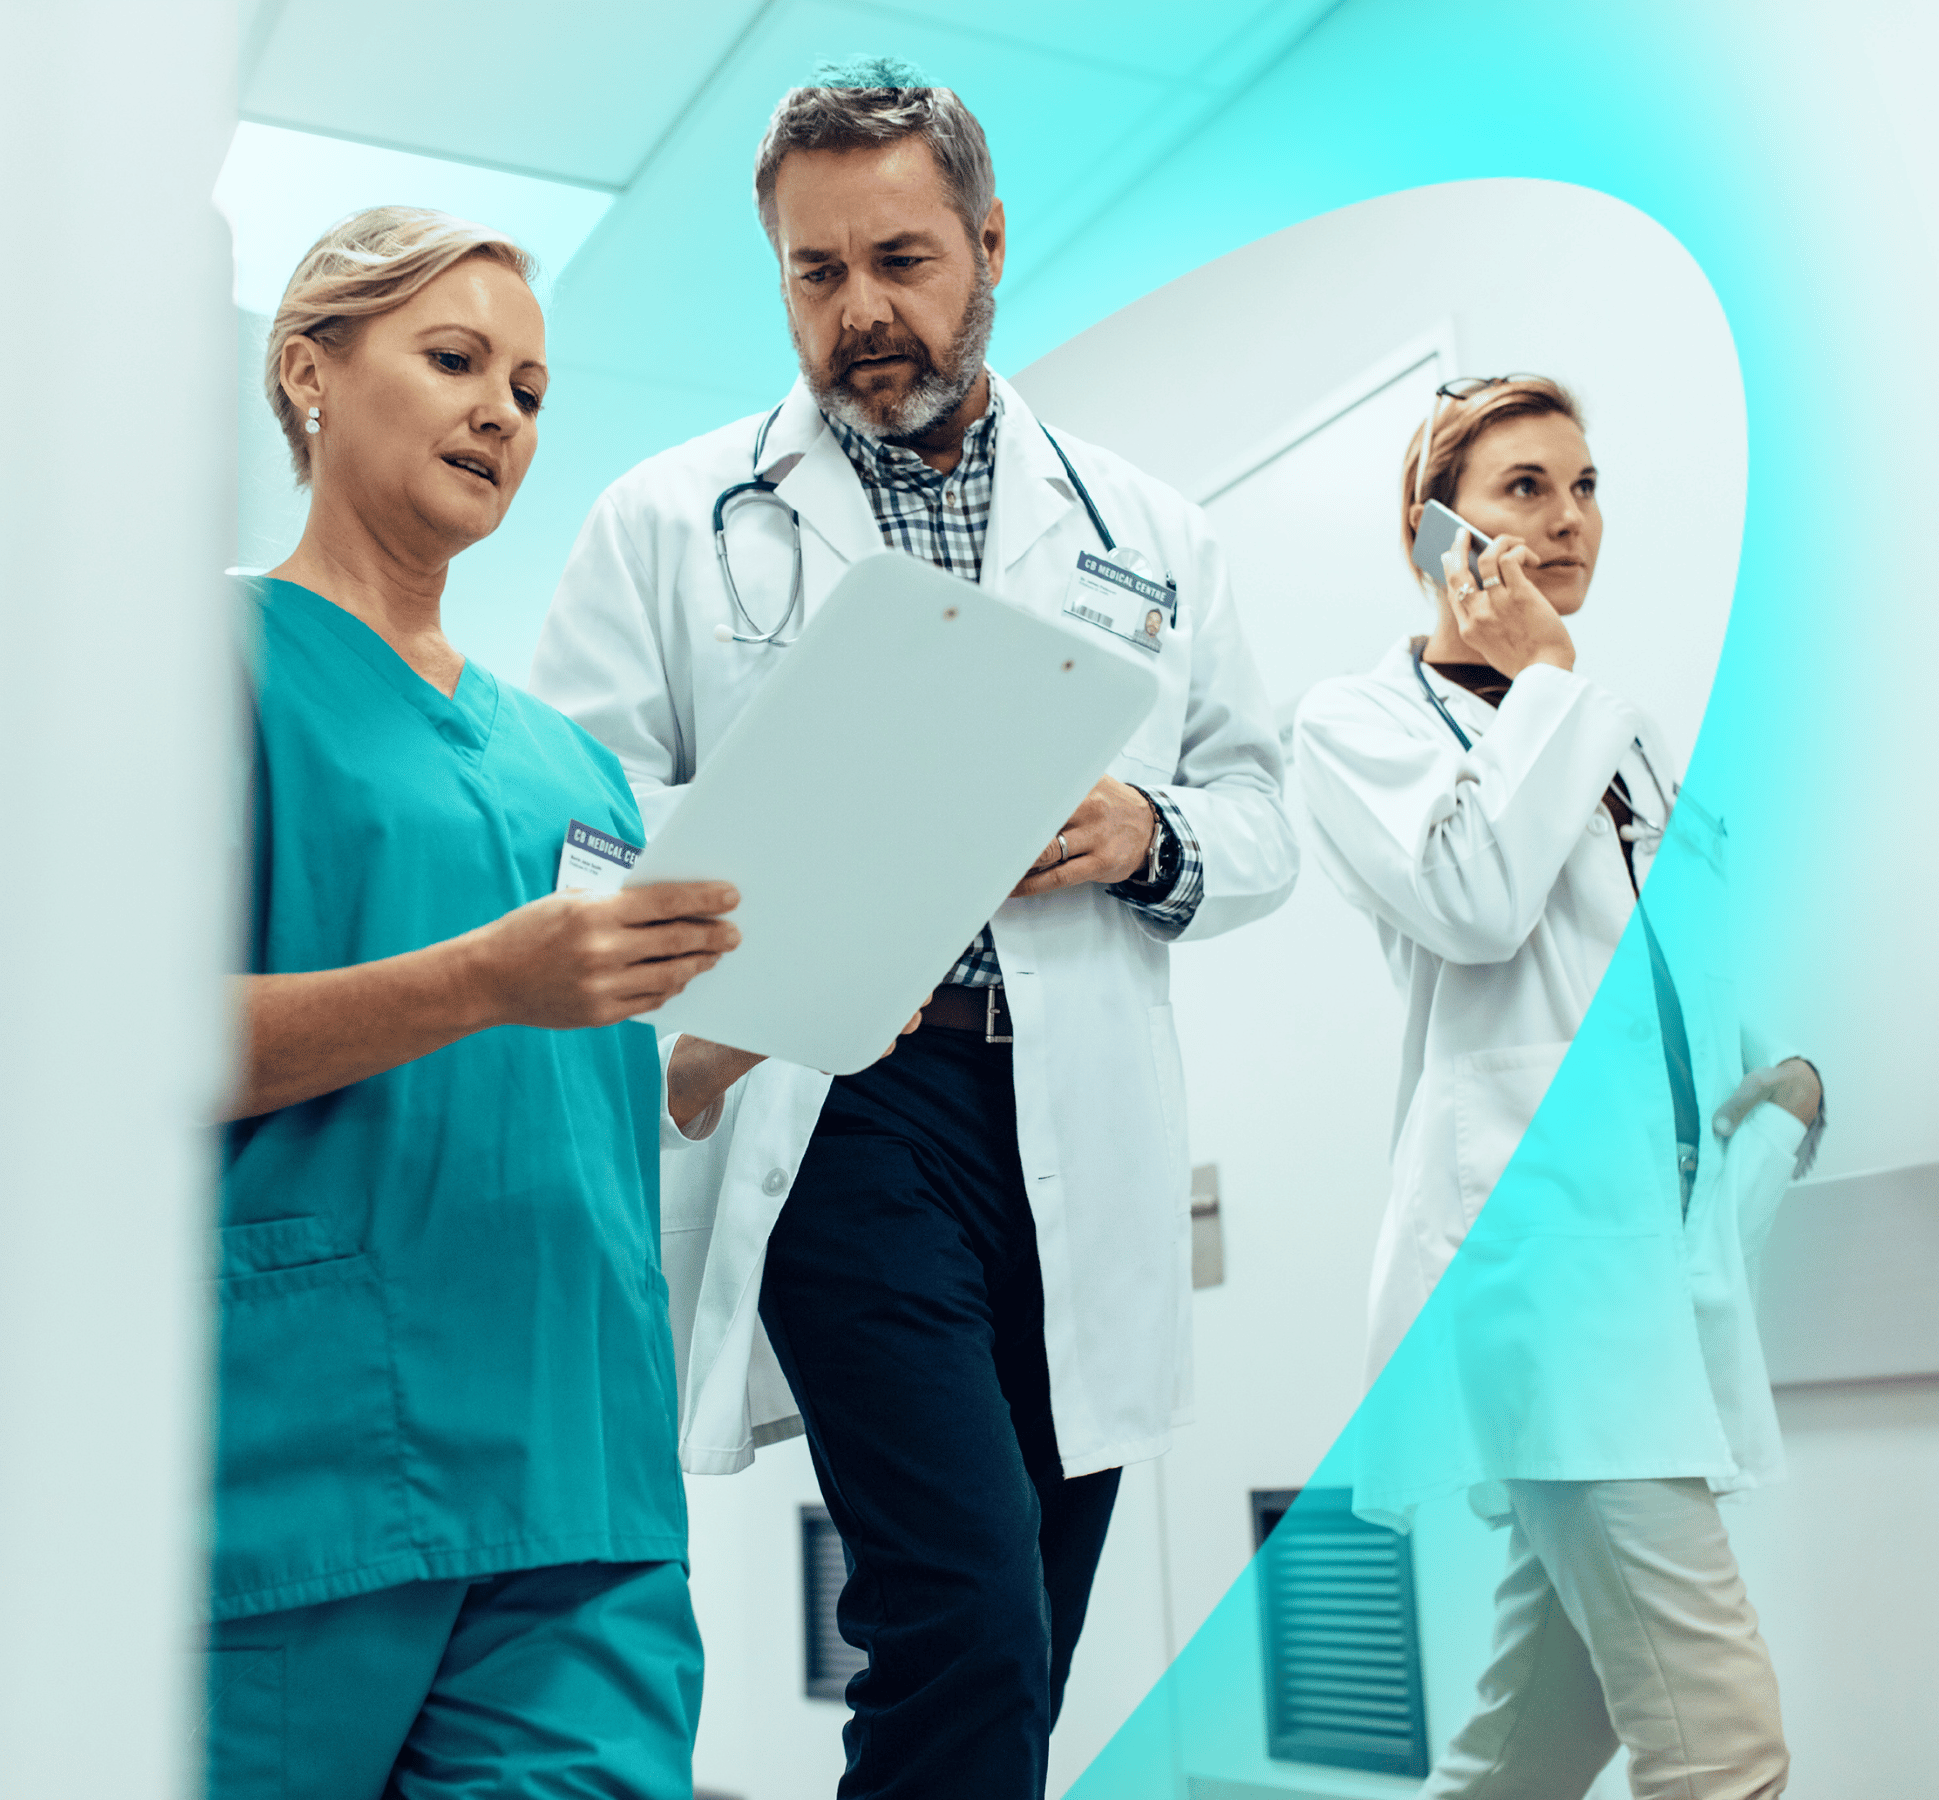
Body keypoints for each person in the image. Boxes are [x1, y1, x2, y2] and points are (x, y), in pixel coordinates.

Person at [532, 61, 1298, 1800]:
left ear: (990, 244)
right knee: (961, 1613)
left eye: (902, 260)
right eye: (818, 275)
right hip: (838, 1100)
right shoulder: (667, 521)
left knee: (1028, 1615)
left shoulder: (1151, 537)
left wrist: (1139, 829)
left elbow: (1263, 818)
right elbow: (574, 824)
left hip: (1069, 1117)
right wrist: (768, 851)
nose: (863, 313)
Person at [208, 207, 743, 1800]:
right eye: (454, 361)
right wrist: (481, 980)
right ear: (310, 372)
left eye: (529, 389)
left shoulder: (573, 767)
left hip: (581, 1472)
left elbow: (578, 1076)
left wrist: (737, 1033)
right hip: (293, 1471)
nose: (502, 413)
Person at [1292, 376, 1824, 1800]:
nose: (1570, 518)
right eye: (1526, 487)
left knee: (1536, 1738)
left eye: (1585, 487)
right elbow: (1473, 898)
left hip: (1652, 1271)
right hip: (1541, 1275)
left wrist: (1782, 1080)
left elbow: (1671, 966)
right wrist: (1544, 685)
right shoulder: (1359, 723)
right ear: (1434, 532)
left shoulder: (1617, 732)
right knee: (1722, 1745)